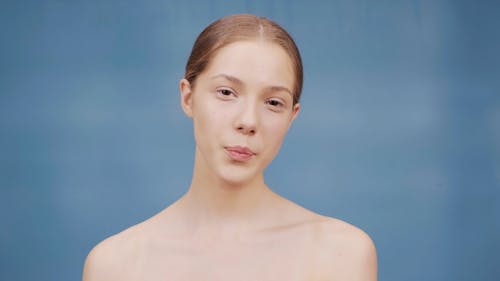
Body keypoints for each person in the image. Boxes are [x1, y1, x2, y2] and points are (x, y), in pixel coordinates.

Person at [82, 14, 377, 281]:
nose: (248, 121)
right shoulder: (115, 266)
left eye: (273, 102)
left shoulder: (341, 254)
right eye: (226, 92)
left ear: (292, 116)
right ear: (188, 97)